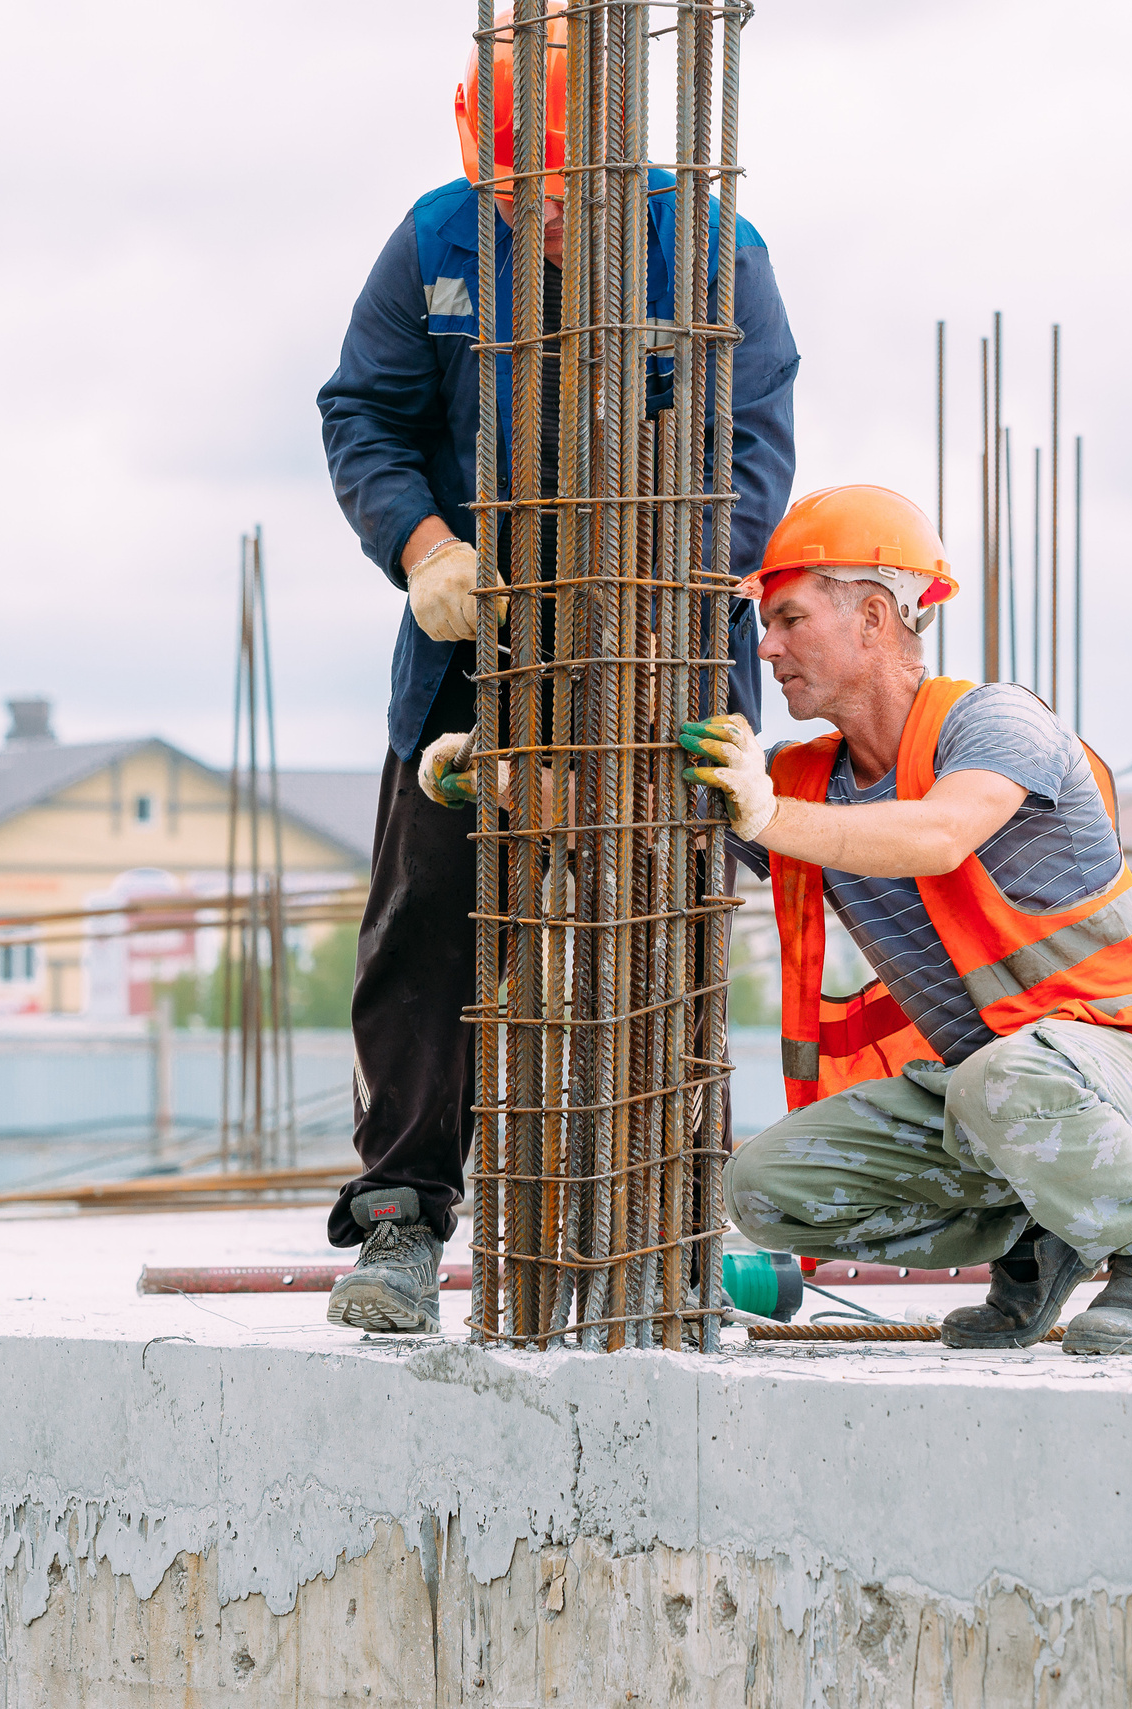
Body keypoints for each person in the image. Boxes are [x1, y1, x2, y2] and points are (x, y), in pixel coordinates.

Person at [313, 11, 800, 1333]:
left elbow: (751, 454)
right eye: (505, 185)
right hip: (481, 644)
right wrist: (421, 547)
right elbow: (362, 411)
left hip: (662, 643)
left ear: (605, 151)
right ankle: (402, 1218)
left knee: (665, 918)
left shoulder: (708, 250)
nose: (527, 212)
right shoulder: (435, 241)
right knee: (425, 919)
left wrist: (650, 584)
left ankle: (674, 1226)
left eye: (547, 185)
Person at [675, 484, 1132, 1354]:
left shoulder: (997, 723)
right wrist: (513, 785)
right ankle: (1042, 1239)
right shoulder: (806, 784)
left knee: (1000, 1080)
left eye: (788, 617)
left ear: (876, 616)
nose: (767, 647)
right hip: (992, 1089)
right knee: (763, 1189)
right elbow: (643, 810)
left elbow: (937, 834)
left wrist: (766, 817)